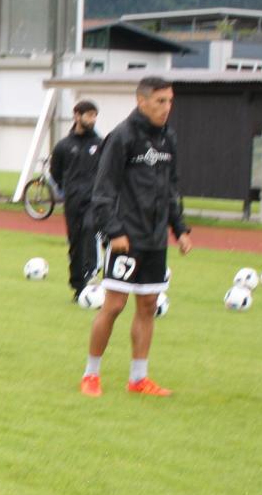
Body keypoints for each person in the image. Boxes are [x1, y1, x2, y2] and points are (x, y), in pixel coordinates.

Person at [80, 75, 191, 398]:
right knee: (114, 305)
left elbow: (171, 189)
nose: (166, 107)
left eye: (170, 101)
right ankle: (91, 374)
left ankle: (138, 378)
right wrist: (113, 231)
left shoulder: (169, 139)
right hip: (126, 238)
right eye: (160, 101)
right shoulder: (122, 137)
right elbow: (103, 190)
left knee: (148, 305)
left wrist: (180, 228)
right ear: (141, 101)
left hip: (155, 239)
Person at [48, 99, 102, 299]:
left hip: (95, 200)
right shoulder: (63, 146)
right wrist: (69, 189)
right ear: (77, 116)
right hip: (73, 201)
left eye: (95, 115)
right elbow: (55, 173)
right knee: (75, 243)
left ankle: (91, 274)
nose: (93, 119)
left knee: (90, 228)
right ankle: (78, 287)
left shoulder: (100, 144)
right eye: (89, 115)